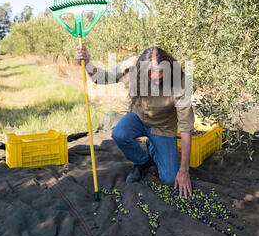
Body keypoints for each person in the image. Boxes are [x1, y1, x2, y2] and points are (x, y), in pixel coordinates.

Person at [75, 45, 194, 198]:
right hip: (138, 118)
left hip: (163, 128)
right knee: (119, 133)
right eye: (150, 74)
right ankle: (141, 161)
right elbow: (102, 77)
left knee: (170, 178)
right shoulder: (131, 67)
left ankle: (153, 147)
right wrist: (87, 62)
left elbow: (186, 129)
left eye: (161, 73)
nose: (156, 78)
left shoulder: (180, 81)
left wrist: (184, 171)